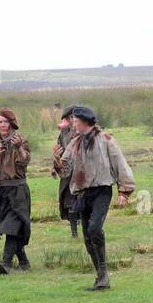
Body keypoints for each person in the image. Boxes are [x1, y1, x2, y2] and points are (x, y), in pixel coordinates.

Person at [59, 106, 136, 290]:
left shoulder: (106, 140)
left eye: (75, 121)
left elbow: (120, 164)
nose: (73, 124)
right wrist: (57, 163)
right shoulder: (74, 143)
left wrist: (124, 191)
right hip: (82, 194)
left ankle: (103, 274)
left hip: (102, 190)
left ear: (84, 121)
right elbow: (65, 170)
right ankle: (101, 276)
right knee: (87, 237)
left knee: (94, 228)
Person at [0, 109, 32, 274]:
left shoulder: (20, 140)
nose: (3, 125)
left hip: (17, 190)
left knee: (12, 225)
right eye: (0, 122)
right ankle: (23, 260)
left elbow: (25, 161)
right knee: (11, 228)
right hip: (0, 191)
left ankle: (6, 262)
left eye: (6, 121)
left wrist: (18, 148)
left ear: (12, 123)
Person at [52, 106, 80, 236]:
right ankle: (74, 232)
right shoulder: (63, 133)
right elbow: (59, 149)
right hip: (67, 171)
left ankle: (85, 225)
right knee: (69, 202)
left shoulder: (83, 130)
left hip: (83, 172)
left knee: (83, 200)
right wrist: (54, 167)